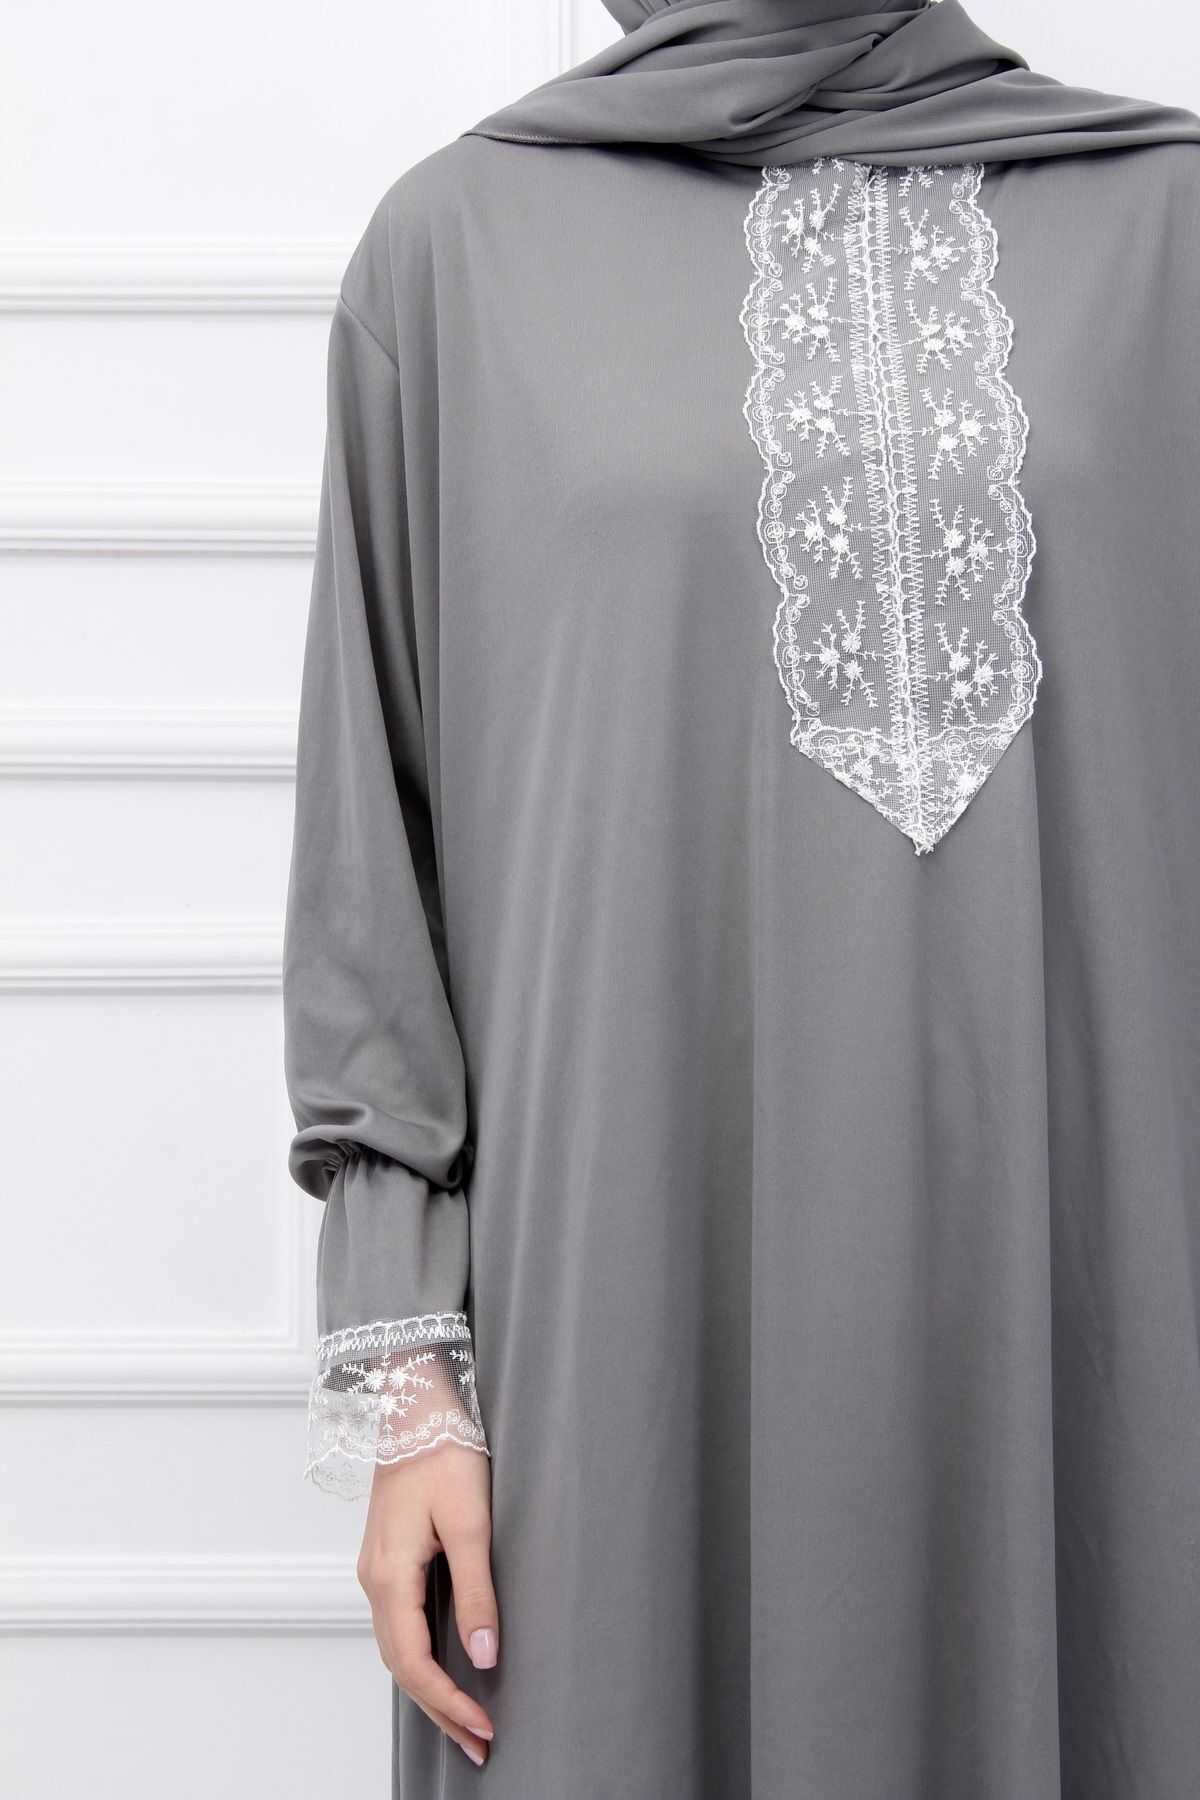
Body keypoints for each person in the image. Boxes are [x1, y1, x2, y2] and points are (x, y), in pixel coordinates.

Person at [281, 1, 1200, 1793]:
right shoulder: (454, 249)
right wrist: (409, 1393)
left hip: (1098, 1301)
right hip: (616, 1323)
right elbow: (372, 860)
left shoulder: (1166, 226)